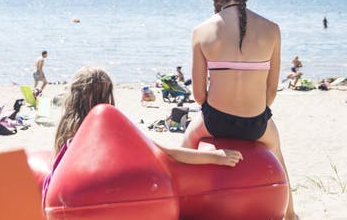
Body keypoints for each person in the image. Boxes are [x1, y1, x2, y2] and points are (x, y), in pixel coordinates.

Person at [178, 0, 298, 220]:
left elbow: (199, 96)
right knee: (276, 147)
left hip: (216, 122)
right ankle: (289, 214)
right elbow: (270, 94)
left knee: (187, 141)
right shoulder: (272, 29)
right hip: (256, 124)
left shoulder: (201, 32)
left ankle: (180, 212)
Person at [52, 67, 242, 166]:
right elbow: (168, 153)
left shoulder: (65, 127)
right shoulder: (110, 126)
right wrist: (216, 157)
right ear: (107, 95)